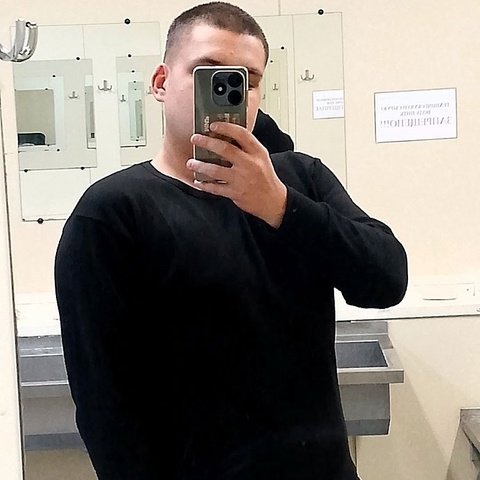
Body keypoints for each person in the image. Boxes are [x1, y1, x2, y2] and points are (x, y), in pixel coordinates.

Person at [54, 2, 408, 480]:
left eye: (247, 79)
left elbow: (386, 279)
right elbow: (105, 406)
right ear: (160, 82)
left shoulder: (301, 180)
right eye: (208, 73)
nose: (228, 90)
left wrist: (280, 206)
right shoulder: (112, 214)